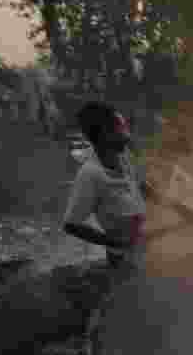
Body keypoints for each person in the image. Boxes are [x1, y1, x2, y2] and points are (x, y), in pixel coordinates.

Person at [63, 102, 150, 281]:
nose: (127, 136)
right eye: (122, 130)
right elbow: (71, 224)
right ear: (104, 135)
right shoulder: (90, 174)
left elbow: (140, 186)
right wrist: (115, 242)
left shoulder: (123, 159)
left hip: (145, 250)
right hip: (122, 261)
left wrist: (179, 207)